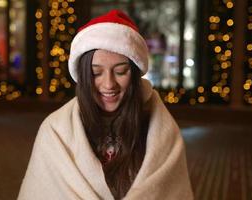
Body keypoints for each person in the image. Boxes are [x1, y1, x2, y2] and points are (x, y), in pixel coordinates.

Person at [18, 10, 193, 200]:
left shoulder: (162, 131)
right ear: (83, 76)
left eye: (120, 71)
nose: (109, 84)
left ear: (134, 74)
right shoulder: (55, 131)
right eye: (96, 73)